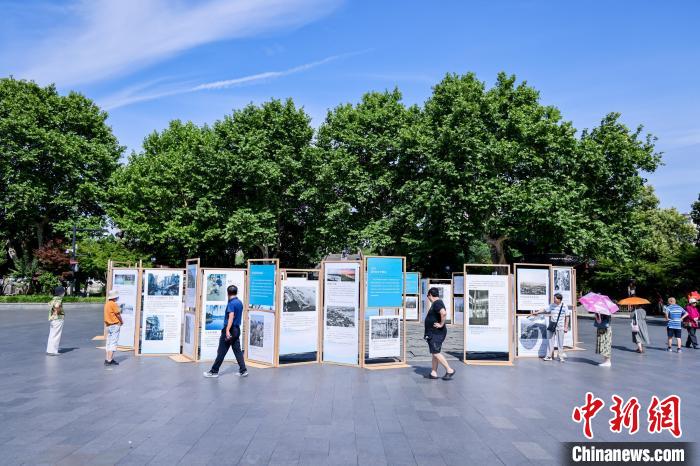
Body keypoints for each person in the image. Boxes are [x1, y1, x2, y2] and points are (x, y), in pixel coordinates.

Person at [204, 285, 248, 378]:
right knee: (237, 351)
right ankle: (243, 370)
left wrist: (227, 330)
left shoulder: (231, 303)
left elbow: (231, 317)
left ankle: (214, 371)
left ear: (228, 293)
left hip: (230, 329)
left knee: (221, 351)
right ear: (236, 292)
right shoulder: (239, 302)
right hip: (236, 329)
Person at [424, 287, 455, 380]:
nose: (428, 298)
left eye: (427, 296)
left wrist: (441, 324)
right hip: (434, 333)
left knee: (436, 353)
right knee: (435, 353)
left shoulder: (437, 303)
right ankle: (434, 372)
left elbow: (443, 313)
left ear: (430, 295)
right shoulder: (437, 303)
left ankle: (449, 370)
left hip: (436, 333)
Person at [531, 293, 570, 362]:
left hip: (560, 326)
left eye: (555, 298)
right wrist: (537, 312)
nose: (554, 299)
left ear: (559, 299)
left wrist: (566, 327)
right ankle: (549, 356)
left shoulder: (564, 306)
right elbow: (544, 309)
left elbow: (567, 316)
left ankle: (560, 356)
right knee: (550, 341)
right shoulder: (552, 305)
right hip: (552, 325)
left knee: (560, 342)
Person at [104, 290, 122, 366]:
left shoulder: (107, 304)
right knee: (113, 342)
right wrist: (121, 321)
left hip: (108, 325)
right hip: (115, 324)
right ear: (114, 297)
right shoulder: (113, 304)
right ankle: (109, 360)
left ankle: (107, 359)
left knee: (108, 342)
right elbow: (118, 314)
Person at [46, 286, 66, 355]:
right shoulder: (59, 299)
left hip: (52, 319)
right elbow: (57, 306)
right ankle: (54, 351)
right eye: (63, 292)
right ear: (61, 293)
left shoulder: (53, 299)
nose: (64, 293)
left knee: (52, 334)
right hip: (58, 319)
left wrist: (53, 315)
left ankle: (49, 350)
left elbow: (49, 304)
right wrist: (57, 312)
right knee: (56, 335)